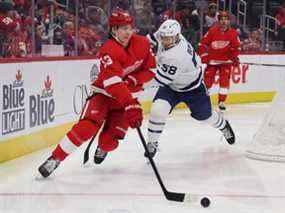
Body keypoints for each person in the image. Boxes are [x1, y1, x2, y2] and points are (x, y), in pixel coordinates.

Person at [38, 9, 156, 178]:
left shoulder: (143, 43)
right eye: (122, 28)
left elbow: (151, 69)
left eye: (129, 28)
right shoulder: (108, 50)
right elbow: (113, 83)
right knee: (86, 127)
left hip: (124, 99)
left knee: (109, 143)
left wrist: (133, 81)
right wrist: (130, 103)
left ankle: (103, 146)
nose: (127, 32)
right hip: (104, 95)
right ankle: (55, 159)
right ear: (113, 30)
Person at [145, 19, 235, 158]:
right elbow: (149, 40)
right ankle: (152, 142)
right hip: (172, 86)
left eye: (168, 39)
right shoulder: (167, 34)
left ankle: (223, 125)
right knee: (158, 110)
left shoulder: (177, 55)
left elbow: (159, 80)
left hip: (193, 89)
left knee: (205, 116)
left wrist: (133, 85)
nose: (164, 41)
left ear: (176, 37)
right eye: (163, 37)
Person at [197, 11, 241, 111]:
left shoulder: (233, 33)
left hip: (225, 63)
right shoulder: (212, 31)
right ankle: (203, 100)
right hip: (212, 62)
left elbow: (237, 48)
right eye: (221, 19)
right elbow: (202, 45)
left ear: (229, 21)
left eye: (226, 19)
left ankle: (221, 101)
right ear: (218, 20)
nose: (223, 21)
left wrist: (234, 57)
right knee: (207, 82)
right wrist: (205, 56)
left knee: (224, 82)